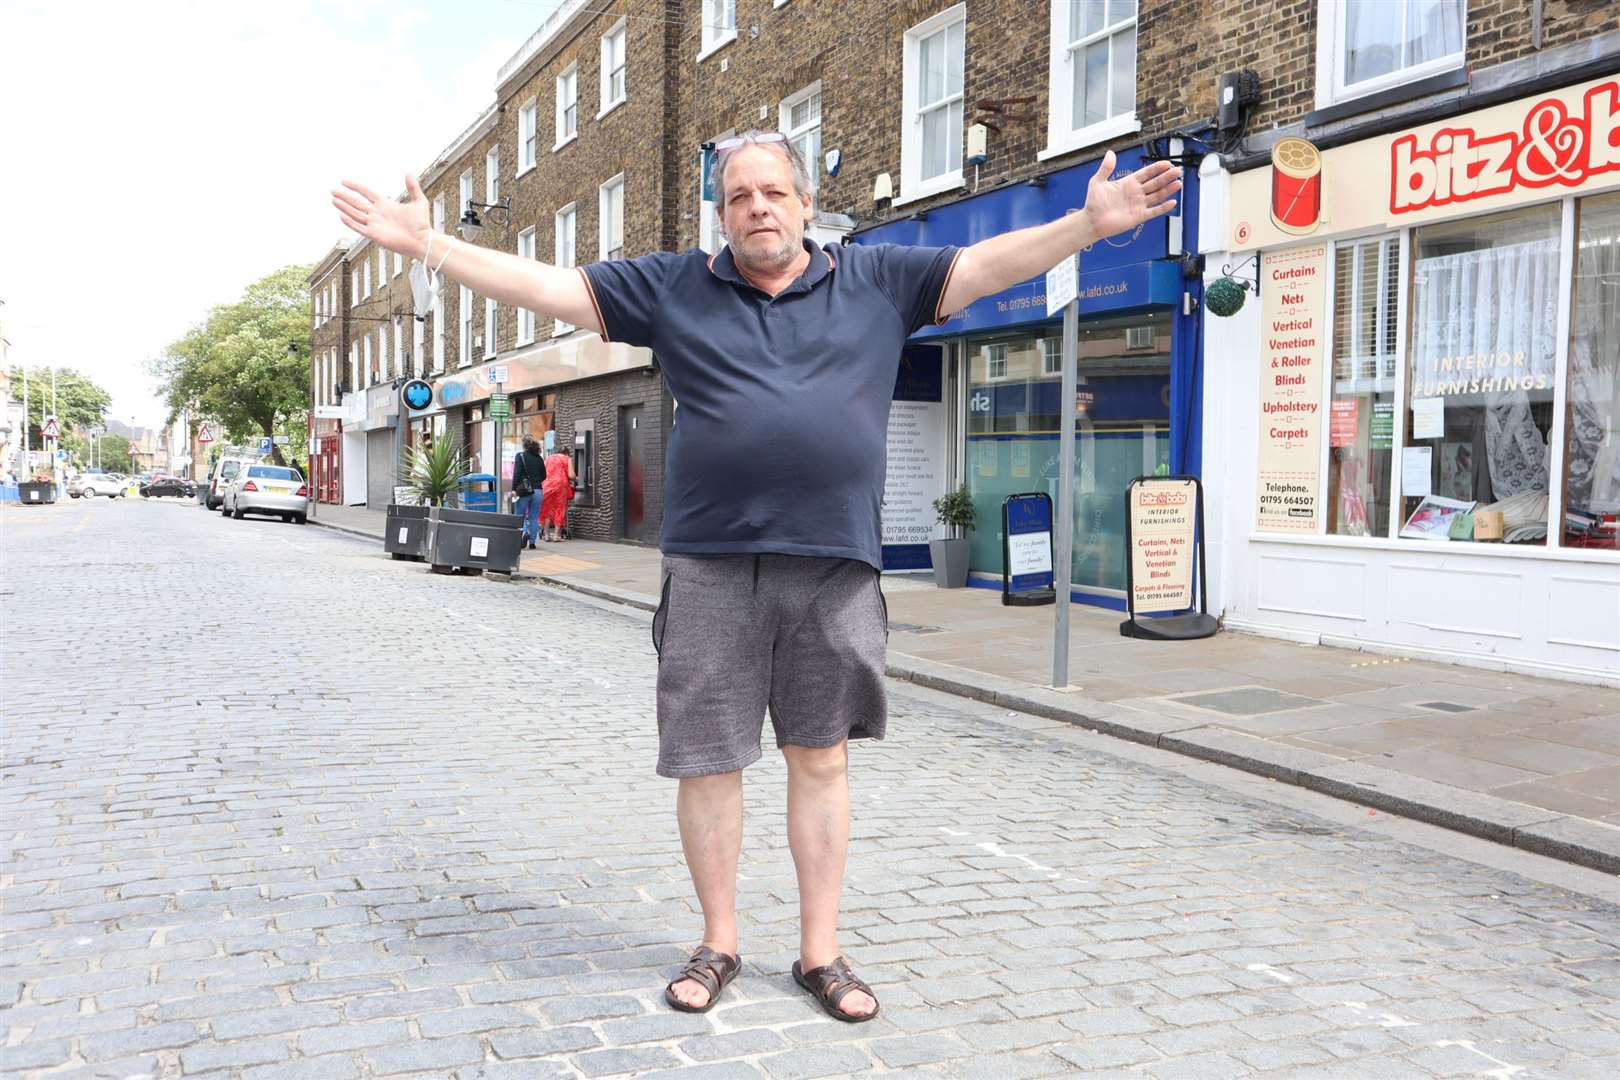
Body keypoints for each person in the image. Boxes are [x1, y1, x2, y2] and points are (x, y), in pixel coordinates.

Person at [333, 133, 1177, 1021]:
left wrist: (1086, 226)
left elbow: (986, 265)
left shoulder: (876, 280)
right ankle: (720, 939)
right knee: (710, 762)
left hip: (834, 568)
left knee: (822, 759)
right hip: (709, 565)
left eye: (774, 191)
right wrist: (427, 246)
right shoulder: (674, 288)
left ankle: (821, 953)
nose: (758, 207)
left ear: (806, 203)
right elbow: (545, 286)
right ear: (723, 213)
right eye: (740, 197)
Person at [511, 435, 546, 549]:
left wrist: (514, 489)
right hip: (538, 491)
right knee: (534, 517)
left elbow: (516, 474)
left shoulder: (520, 456)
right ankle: (532, 542)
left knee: (520, 515)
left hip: (524, 491)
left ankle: (524, 532)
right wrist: (536, 482)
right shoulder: (539, 458)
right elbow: (544, 475)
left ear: (523, 445)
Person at [539, 438, 575, 542]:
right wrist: (574, 477)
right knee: (559, 508)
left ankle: (546, 535)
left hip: (547, 485)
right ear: (567, 453)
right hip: (560, 486)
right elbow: (571, 475)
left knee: (547, 509)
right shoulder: (567, 459)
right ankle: (556, 535)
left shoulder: (548, 458)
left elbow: (542, 472)